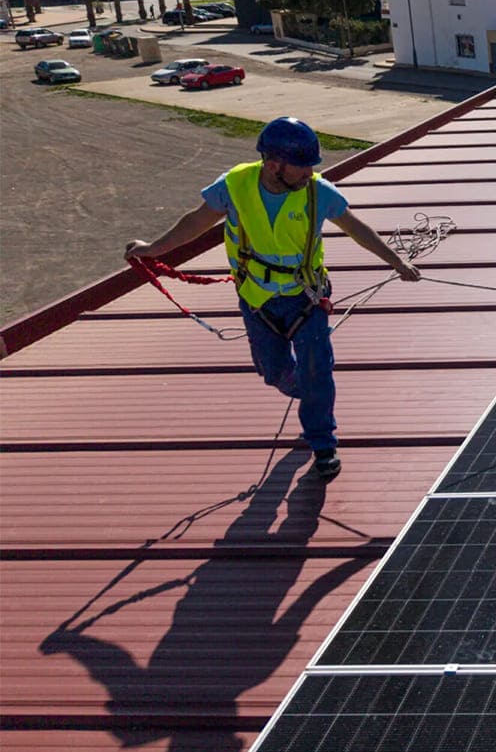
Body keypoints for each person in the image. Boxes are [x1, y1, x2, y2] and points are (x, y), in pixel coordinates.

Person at [125, 117, 421, 481]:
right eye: (302, 166)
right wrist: (153, 249)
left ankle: (323, 442)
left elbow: (356, 227)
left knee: (316, 369)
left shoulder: (318, 192)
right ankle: (309, 394)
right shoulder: (235, 186)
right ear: (273, 164)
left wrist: (397, 262)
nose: (310, 173)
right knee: (274, 373)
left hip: (306, 298)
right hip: (257, 300)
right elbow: (196, 222)